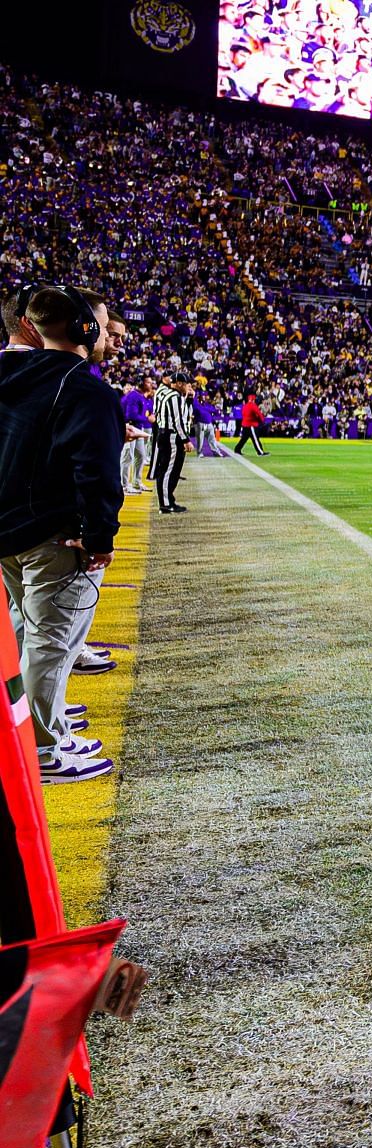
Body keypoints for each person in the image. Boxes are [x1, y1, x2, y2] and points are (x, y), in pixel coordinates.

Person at [0, 286, 122, 783]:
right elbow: (96, 476)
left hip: (7, 532)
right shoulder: (84, 388)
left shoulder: (11, 374)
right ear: (84, 329)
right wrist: (99, 538)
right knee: (51, 642)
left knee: (25, 631)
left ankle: (32, 729)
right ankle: (46, 750)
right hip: (54, 535)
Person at [151, 377, 193, 513]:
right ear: (180, 383)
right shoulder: (174, 396)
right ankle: (165, 504)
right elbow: (177, 421)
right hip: (170, 435)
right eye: (186, 384)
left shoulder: (170, 395)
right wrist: (186, 440)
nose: (188, 387)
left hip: (168, 434)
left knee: (173, 471)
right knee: (167, 471)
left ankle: (169, 500)